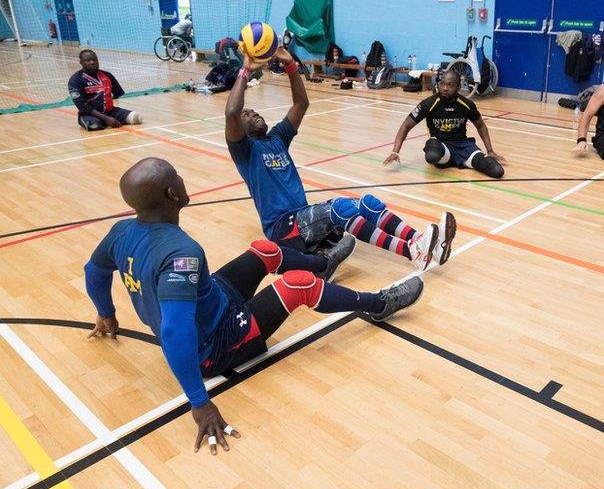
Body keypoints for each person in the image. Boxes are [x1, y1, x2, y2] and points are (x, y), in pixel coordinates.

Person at [84, 157, 424, 454]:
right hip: (216, 345)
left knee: (266, 250)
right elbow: (174, 331)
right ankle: (377, 304)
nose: (183, 181)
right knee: (297, 286)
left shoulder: (121, 231)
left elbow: (93, 271)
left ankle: (323, 264)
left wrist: (106, 313)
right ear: (173, 194)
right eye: (178, 177)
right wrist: (200, 403)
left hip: (215, 299)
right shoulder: (180, 254)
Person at [225, 49, 455, 272]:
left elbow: (301, 104)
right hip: (284, 230)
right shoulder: (245, 150)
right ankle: (411, 251)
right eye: (247, 114)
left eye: (254, 110)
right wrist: (245, 70)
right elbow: (232, 112)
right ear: (239, 128)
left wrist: (290, 66)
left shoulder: (277, 138)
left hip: (303, 218)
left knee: (369, 203)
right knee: (342, 209)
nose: (253, 113)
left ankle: (420, 241)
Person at [383, 69, 505, 179]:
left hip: (464, 147)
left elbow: (481, 126)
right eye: (442, 83)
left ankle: (466, 161)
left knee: (497, 170)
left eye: (450, 85)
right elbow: (406, 125)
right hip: (442, 148)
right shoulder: (428, 103)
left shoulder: (467, 105)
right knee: (432, 153)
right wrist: (395, 151)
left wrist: (490, 150)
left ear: (458, 87)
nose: (445, 88)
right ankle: (449, 159)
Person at [69, 49, 142, 131]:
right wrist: (107, 119)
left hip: (111, 112)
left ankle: (108, 121)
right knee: (94, 125)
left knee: (136, 118)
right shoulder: (75, 80)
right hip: (90, 114)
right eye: (87, 60)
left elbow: (117, 93)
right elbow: (81, 105)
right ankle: (103, 121)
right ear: (81, 62)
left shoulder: (107, 75)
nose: (92, 62)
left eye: (94, 59)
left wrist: (107, 104)